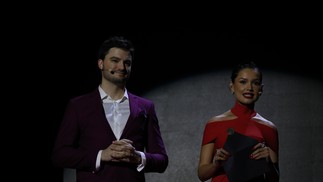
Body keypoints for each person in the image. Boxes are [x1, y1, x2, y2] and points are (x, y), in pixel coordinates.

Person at [52, 35, 168, 182]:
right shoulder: (78, 106)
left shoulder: (146, 107)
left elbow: (162, 159)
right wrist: (101, 155)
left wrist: (138, 157)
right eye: (115, 61)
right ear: (100, 64)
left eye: (127, 63)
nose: (122, 67)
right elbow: (60, 155)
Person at [197, 61, 279, 182]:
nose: (249, 88)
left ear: (260, 89)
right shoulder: (214, 124)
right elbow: (202, 175)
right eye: (243, 82)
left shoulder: (269, 128)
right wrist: (215, 164)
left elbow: (275, 179)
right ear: (232, 87)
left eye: (255, 83)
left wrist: (269, 164)